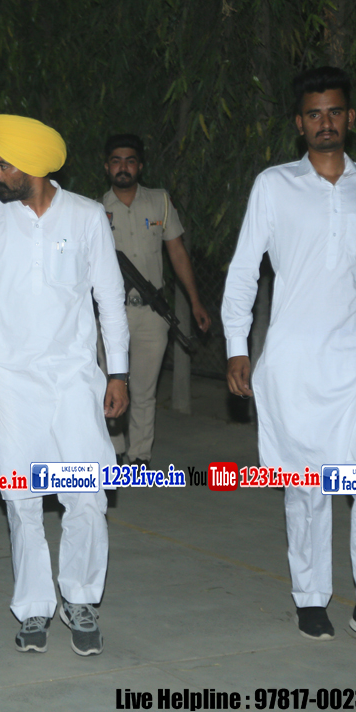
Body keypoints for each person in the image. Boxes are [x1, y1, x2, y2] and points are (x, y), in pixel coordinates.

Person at [221, 66, 356, 654]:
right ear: (299, 123)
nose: (325, 122)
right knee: (308, 487)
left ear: (349, 117)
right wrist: (236, 347)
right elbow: (244, 268)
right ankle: (310, 598)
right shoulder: (274, 185)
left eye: (334, 112)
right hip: (296, 361)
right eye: (313, 114)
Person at [0, 114, 129, 657]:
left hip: (74, 377)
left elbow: (109, 299)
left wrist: (118, 371)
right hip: (7, 380)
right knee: (21, 497)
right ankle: (33, 606)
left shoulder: (86, 216)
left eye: (2, 165)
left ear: (30, 166)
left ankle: (80, 597)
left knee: (87, 493)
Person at [100, 134, 211, 467]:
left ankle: (139, 455)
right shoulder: (95, 209)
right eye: (116, 161)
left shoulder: (160, 201)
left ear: (140, 166)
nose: (123, 167)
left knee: (144, 390)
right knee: (109, 384)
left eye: (130, 161)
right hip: (110, 314)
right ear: (107, 167)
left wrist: (195, 301)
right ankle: (113, 449)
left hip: (152, 312)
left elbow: (176, 251)